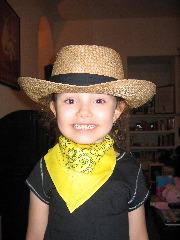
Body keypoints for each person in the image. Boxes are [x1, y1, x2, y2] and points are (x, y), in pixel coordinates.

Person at [18, 45, 156, 240]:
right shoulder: (44, 168)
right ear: (54, 109)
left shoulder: (130, 170)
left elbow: (139, 235)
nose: (84, 112)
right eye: (70, 101)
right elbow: (34, 235)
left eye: (99, 101)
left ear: (116, 111)